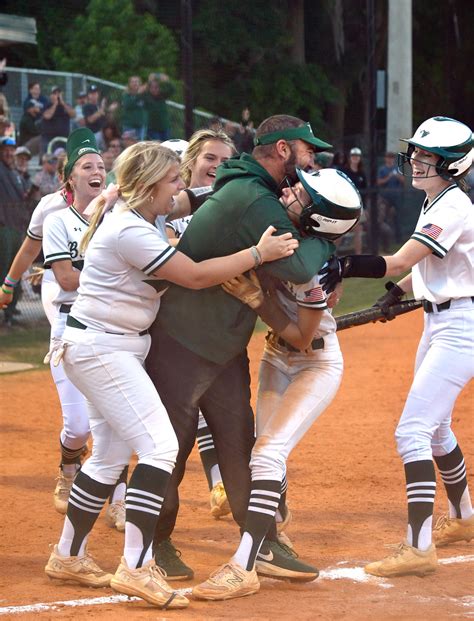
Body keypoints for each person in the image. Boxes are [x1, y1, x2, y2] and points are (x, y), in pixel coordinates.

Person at [44, 140, 298, 609]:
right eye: (171, 180)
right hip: (104, 348)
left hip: (104, 344)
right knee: (160, 447)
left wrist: (230, 189)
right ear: (147, 186)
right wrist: (257, 253)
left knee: (108, 457)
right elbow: (196, 275)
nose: (179, 187)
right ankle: (136, 566)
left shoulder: (136, 216)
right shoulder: (130, 229)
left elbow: (190, 202)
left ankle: (68, 556)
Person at [146, 115, 335, 583]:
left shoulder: (252, 190)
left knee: (237, 443)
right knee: (171, 447)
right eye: (307, 150)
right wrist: (329, 236)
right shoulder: (253, 197)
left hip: (222, 344)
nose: (312, 160)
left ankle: (262, 543)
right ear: (283, 149)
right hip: (183, 341)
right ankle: (154, 543)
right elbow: (297, 266)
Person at [194, 167, 362, 600]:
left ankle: (244, 566)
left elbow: (302, 337)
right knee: (263, 457)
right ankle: (277, 522)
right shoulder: (283, 238)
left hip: (313, 363)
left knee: (268, 454)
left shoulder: (316, 269)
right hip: (275, 355)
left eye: (302, 193)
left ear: (318, 217)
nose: (290, 191)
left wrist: (256, 299)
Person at [319, 116, 474, 578]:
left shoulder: (452, 206)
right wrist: (396, 292)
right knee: (436, 428)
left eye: (428, 156)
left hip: (461, 325)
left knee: (412, 432)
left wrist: (347, 265)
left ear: (452, 165)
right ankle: (464, 516)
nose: (416, 161)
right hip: (440, 318)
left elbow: (402, 256)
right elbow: (421, 265)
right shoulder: (437, 199)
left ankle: (418, 548)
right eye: (418, 153)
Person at [163, 129, 235, 524]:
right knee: (169, 424)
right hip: (166, 328)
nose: (217, 167)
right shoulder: (170, 204)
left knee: (212, 412)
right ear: (191, 161)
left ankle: (220, 485)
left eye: (226, 162)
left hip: (212, 327)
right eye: (210, 158)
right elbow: (167, 249)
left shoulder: (228, 207)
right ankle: (129, 498)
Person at [0, 136, 30, 326]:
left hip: (17, 227)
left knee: (15, 271)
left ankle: (10, 312)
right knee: (4, 270)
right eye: (5, 150)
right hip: (4, 228)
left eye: (11, 150)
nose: (9, 153)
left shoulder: (15, 173)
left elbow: (24, 196)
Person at [377, 151, 405, 243]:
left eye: (392, 158)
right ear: (385, 158)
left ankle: (398, 240)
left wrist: (397, 176)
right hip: (385, 197)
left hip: (396, 197)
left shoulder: (397, 169)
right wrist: (388, 177)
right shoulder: (382, 169)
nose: (390, 159)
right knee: (384, 218)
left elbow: (403, 180)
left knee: (397, 218)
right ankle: (384, 241)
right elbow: (379, 182)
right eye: (388, 157)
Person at [40, 86, 75, 155]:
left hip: (63, 138)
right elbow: (47, 116)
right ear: (51, 96)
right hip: (49, 139)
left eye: (58, 93)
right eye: (54, 93)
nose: (57, 95)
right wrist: (55, 104)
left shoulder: (66, 106)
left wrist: (62, 103)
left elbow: (73, 114)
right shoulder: (47, 106)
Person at [143, 74, 175, 141]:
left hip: (165, 127)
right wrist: (149, 82)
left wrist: (167, 81)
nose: (154, 89)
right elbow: (139, 93)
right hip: (152, 128)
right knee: (156, 145)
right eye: (152, 87)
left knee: (166, 145)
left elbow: (172, 90)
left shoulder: (162, 95)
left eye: (156, 87)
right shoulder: (146, 96)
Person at [121, 75, 146, 140]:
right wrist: (138, 94)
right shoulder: (126, 95)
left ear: (140, 83)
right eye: (133, 82)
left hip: (140, 126)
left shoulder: (144, 95)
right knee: (129, 144)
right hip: (129, 125)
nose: (135, 83)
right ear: (129, 84)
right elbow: (128, 105)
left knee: (140, 144)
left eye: (137, 81)